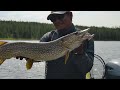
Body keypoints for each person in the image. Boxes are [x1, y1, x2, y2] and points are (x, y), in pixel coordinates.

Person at [17, 11, 94, 79]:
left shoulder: (84, 38)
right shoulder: (48, 37)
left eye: (60, 17)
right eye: (53, 19)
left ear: (70, 15)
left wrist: (80, 53)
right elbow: (38, 57)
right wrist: (26, 56)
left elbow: (87, 68)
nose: (57, 21)